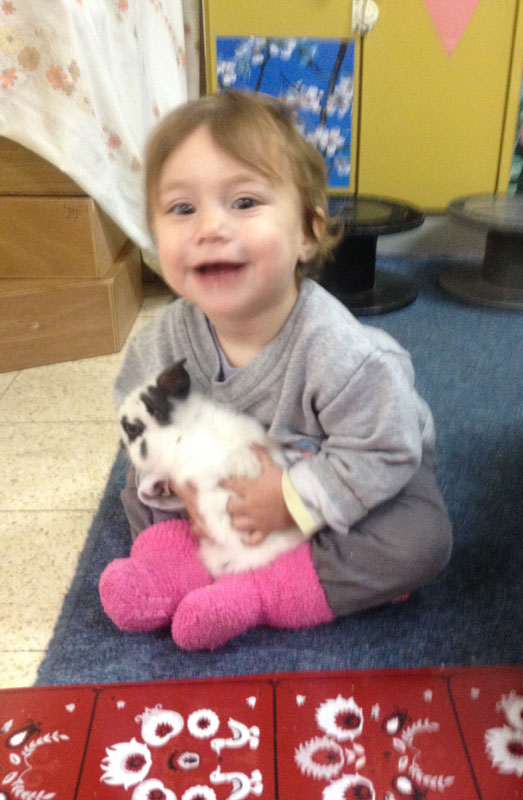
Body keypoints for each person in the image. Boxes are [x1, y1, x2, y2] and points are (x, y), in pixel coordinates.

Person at [99, 89, 453, 650]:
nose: (209, 227)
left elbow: (384, 451)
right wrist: (184, 484)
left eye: (244, 202)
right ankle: (183, 565)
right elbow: (137, 415)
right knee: (137, 488)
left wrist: (289, 500)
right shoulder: (161, 341)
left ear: (308, 234)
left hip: (352, 464)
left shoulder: (347, 355)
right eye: (182, 209)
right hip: (224, 483)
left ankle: (265, 590)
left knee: (419, 539)